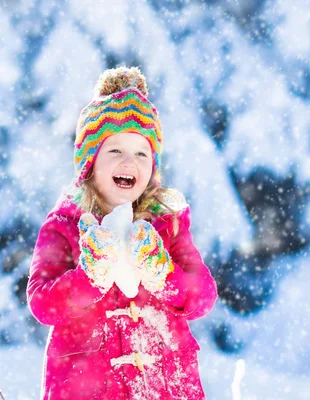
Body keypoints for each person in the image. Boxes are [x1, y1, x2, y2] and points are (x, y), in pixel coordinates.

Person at [27, 66, 218, 399]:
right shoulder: (65, 225)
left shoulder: (167, 225)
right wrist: (89, 278)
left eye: (142, 153)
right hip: (87, 388)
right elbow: (42, 302)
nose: (130, 161)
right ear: (90, 162)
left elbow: (203, 295)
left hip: (165, 386)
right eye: (115, 150)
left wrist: (163, 274)